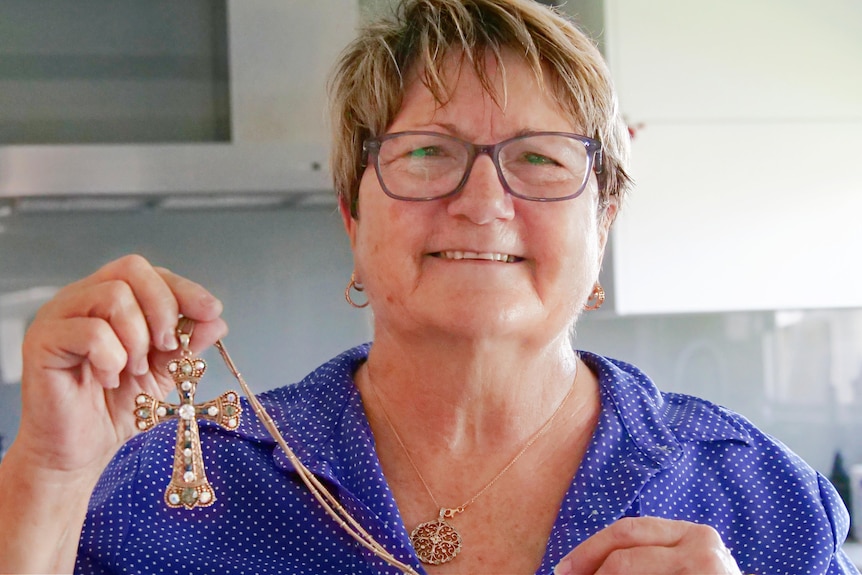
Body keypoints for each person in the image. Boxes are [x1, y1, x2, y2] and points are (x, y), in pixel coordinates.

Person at [0, 0, 857, 573]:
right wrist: (45, 475)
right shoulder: (147, 494)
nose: (483, 202)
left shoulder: (766, 503)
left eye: (539, 159)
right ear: (352, 215)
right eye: (425, 153)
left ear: (605, 218)